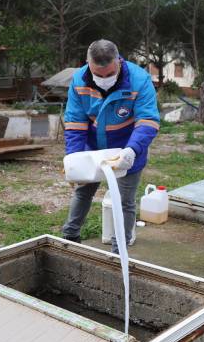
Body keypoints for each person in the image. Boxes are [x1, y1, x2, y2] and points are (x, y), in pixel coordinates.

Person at [62, 39, 160, 253]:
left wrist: (132, 150)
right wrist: (73, 159)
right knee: (82, 192)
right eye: (99, 75)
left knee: (125, 202)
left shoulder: (139, 80)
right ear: (88, 64)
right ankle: (69, 237)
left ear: (118, 61)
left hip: (127, 149)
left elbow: (148, 121)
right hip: (93, 149)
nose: (104, 79)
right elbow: (75, 122)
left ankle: (119, 251)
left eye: (109, 74)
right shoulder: (79, 80)